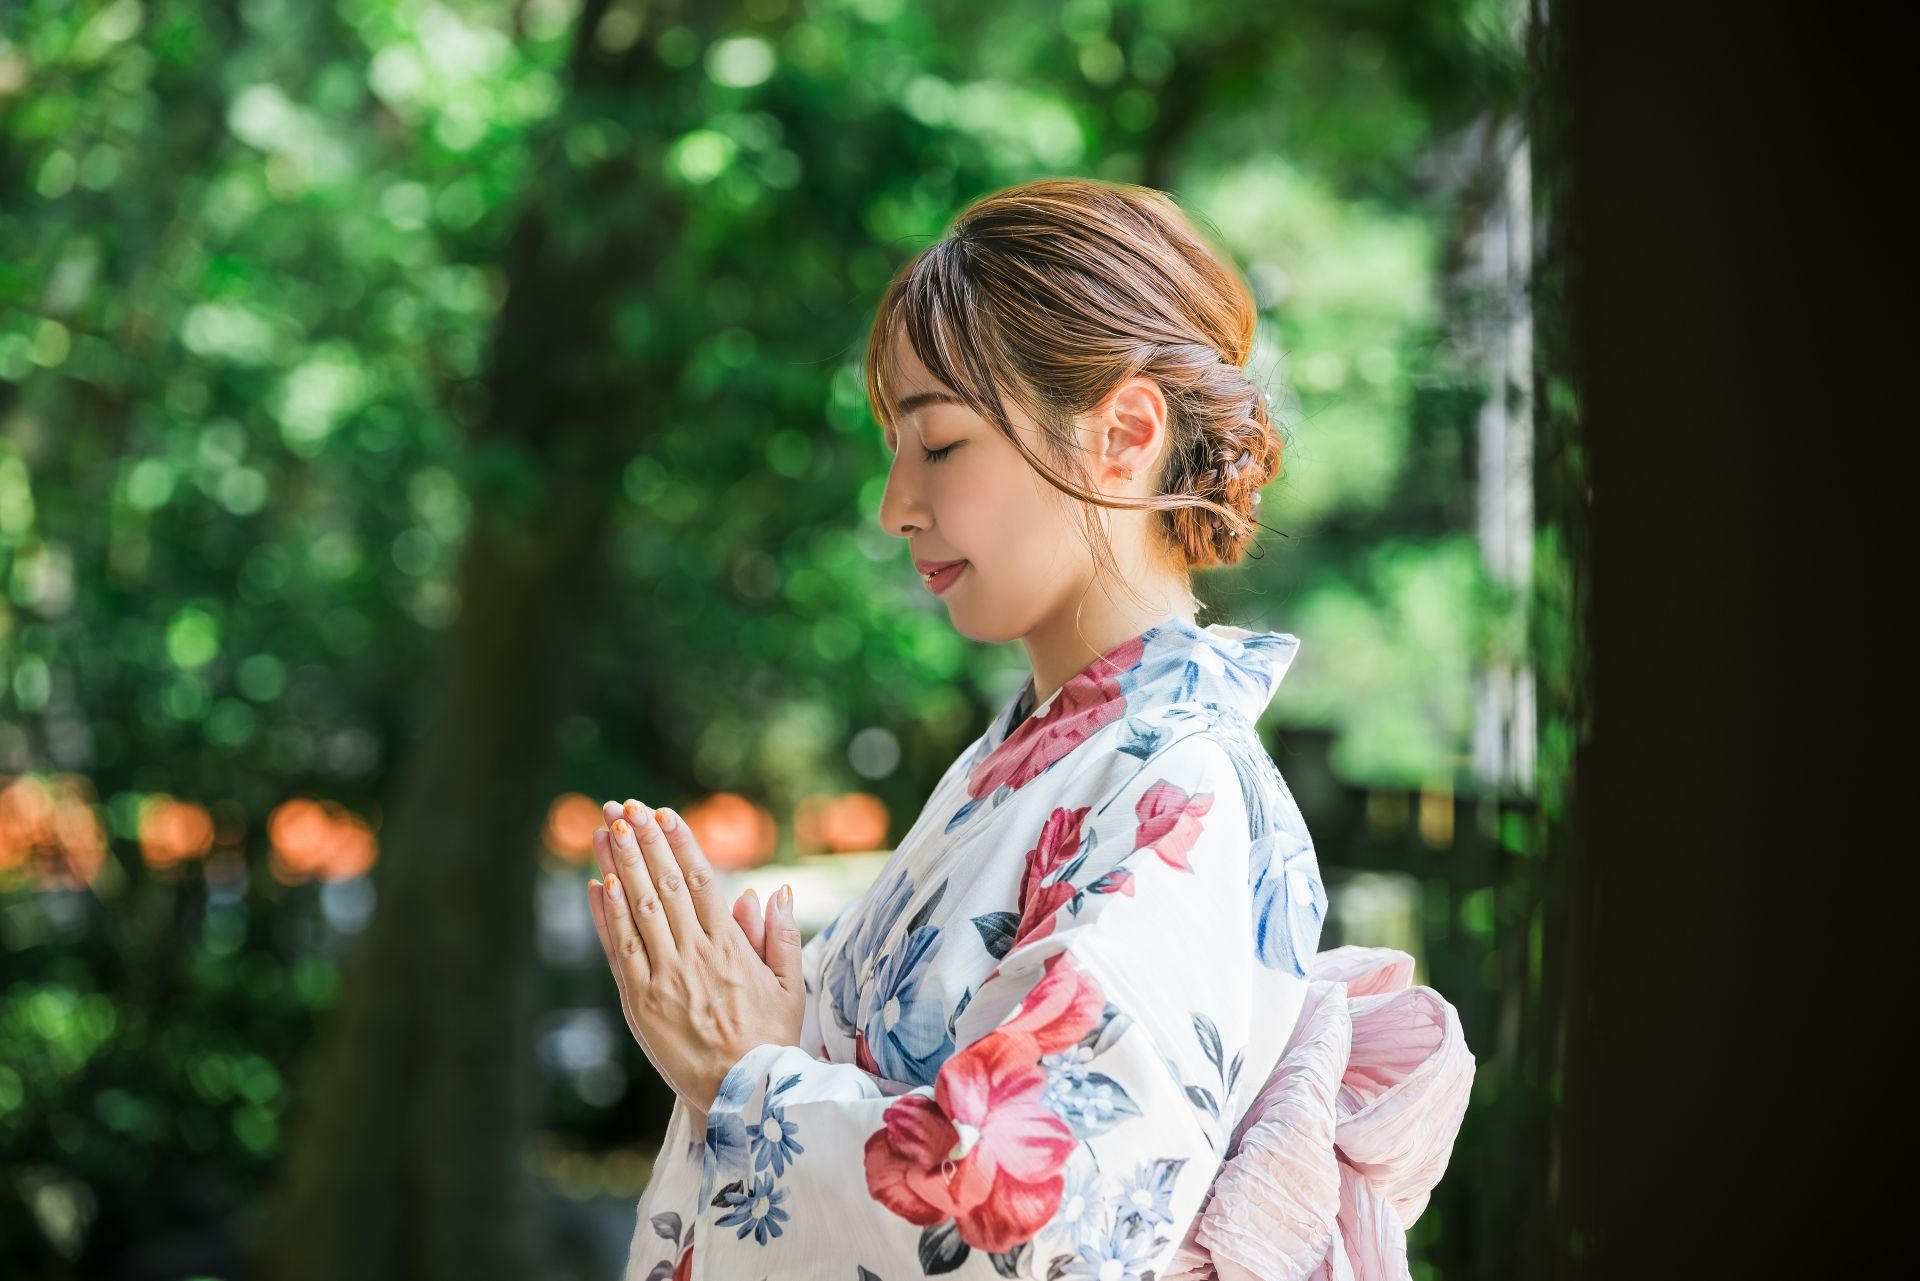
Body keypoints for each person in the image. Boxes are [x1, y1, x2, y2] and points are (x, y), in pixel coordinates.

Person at [586, 178, 1456, 1281]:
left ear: (1124, 435)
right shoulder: (1038, 761)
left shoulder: (1175, 779)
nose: (897, 503)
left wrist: (747, 1074)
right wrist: (794, 1035)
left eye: (940, 444)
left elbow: (1051, 1228)